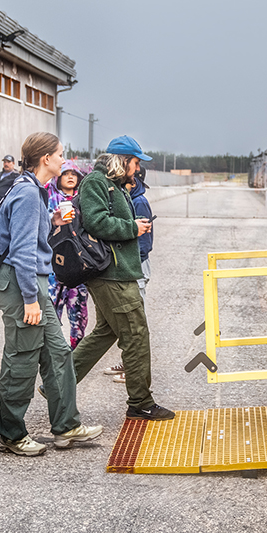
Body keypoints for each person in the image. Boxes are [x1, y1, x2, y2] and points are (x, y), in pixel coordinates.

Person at [0, 132, 103, 456]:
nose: (63, 160)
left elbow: (31, 238)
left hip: (34, 283)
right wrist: (30, 299)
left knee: (58, 353)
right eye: (60, 155)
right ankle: (10, 434)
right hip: (22, 285)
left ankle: (67, 426)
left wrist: (52, 221)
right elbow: (23, 251)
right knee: (22, 359)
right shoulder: (27, 193)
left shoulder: (34, 191)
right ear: (45, 159)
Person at [70, 136, 172, 421]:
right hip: (111, 276)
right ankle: (141, 403)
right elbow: (96, 221)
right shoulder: (96, 182)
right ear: (122, 160)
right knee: (137, 336)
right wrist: (133, 227)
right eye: (136, 162)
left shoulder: (114, 185)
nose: (138, 169)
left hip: (118, 273)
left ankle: (57, 385)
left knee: (107, 332)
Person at [104, 163, 155, 382]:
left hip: (137, 266)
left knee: (136, 322)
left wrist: (132, 263)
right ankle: (128, 363)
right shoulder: (128, 198)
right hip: (132, 265)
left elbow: (143, 242)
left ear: (133, 180)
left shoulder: (139, 201)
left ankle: (132, 370)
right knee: (123, 321)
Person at [45, 163, 89, 349]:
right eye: (66, 174)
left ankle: (75, 348)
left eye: (74, 174)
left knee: (78, 308)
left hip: (78, 263)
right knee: (52, 306)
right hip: (55, 263)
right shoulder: (49, 198)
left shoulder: (84, 199)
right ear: (58, 178)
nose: (70, 177)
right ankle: (51, 349)